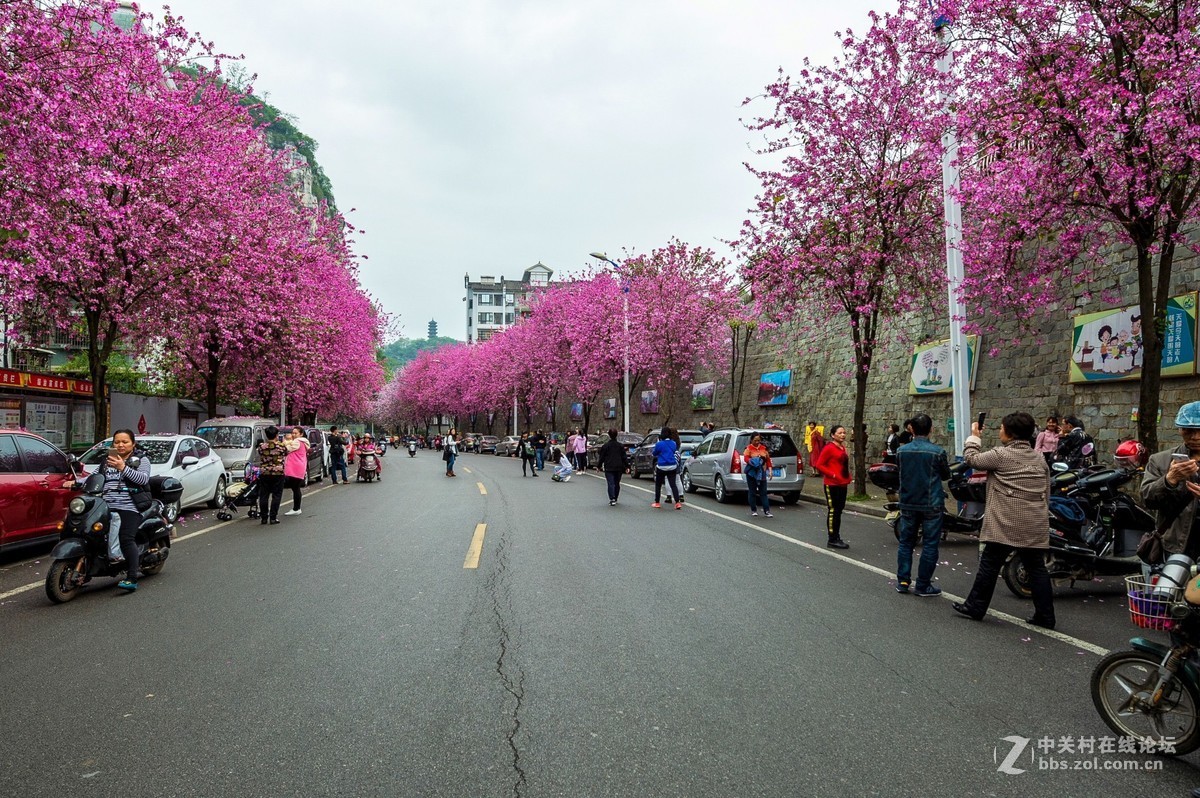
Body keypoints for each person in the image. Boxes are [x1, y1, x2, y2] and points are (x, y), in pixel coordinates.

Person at [952, 412, 1055, 629]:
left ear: (1009, 433)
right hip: (1034, 522)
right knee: (1037, 569)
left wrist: (974, 437)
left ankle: (975, 606)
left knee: (989, 564)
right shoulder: (1039, 458)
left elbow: (971, 459)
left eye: (1000, 428)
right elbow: (1047, 491)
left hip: (1006, 522)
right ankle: (1045, 616)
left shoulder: (1001, 455)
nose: (999, 431)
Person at [894, 414, 951, 596]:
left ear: (911, 429)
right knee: (930, 544)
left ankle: (903, 581)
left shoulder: (901, 451)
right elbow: (945, 475)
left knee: (906, 543)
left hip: (908, 502)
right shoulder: (937, 452)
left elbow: (900, 472)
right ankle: (923, 584)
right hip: (931, 504)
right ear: (931, 429)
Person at [1140, 401, 1200, 561]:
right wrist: (1169, 480)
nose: (1195, 437)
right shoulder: (1160, 460)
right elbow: (1148, 500)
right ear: (1180, 430)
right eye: (1189, 431)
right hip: (1175, 546)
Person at [102, 429, 152, 591]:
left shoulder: (141, 460)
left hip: (130, 507)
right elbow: (95, 477)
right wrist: (75, 482)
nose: (120, 445)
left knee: (126, 538)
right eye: (117, 442)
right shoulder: (107, 460)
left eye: (125, 442)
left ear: (133, 444)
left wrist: (123, 467)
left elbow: (143, 479)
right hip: (107, 505)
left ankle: (131, 578)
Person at [813, 424, 851, 549]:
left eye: (844, 432)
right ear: (833, 435)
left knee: (839, 511)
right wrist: (833, 475)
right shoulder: (829, 448)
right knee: (833, 511)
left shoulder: (842, 448)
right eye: (840, 433)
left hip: (842, 484)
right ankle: (832, 539)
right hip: (832, 484)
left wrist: (847, 477)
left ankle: (837, 536)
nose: (843, 435)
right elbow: (819, 464)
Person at [257, 425, 288, 526]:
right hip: (278, 473)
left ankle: (264, 517)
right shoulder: (281, 446)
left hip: (264, 473)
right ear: (276, 435)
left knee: (264, 495)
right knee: (276, 495)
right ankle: (273, 517)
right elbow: (286, 453)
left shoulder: (262, 446)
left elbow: (260, 453)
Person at [742, 433, 774, 518]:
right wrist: (753, 462)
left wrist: (770, 471)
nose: (757, 442)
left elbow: (768, 460)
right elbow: (746, 458)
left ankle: (767, 511)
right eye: (755, 440)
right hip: (752, 473)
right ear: (751, 440)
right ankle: (754, 510)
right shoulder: (748, 448)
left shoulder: (763, 448)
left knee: (763, 492)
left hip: (762, 472)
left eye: (758, 440)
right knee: (752, 492)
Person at [651, 425, 682, 509]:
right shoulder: (673, 443)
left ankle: (657, 502)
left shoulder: (659, 444)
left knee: (658, 485)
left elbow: (654, 453)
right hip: (672, 466)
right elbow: (673, 451)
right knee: (673, 484)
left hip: (661, 466)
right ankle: (677, 502)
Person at [598, 428, 631, 505]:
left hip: (609, 466)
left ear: (609, 435)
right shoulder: (620, 446)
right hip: (619, 467)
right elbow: (624, 457)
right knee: (617, 482)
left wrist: (598, 466)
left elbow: (602, 457)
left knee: (611, 483)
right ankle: (615, 497)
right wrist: (627, 466)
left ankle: (612, 498)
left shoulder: (605, 446)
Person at [282, 427, 310, 515]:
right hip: (300, 467)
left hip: (294, 467)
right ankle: (296, 508)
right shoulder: (304, 442)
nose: (293, 435)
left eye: (295, 433)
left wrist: (284, 442)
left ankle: (296, 508)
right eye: (293, 433)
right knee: (296, 488)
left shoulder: (297, 441)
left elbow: (286, 449)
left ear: (301, 434)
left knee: (295, 488)